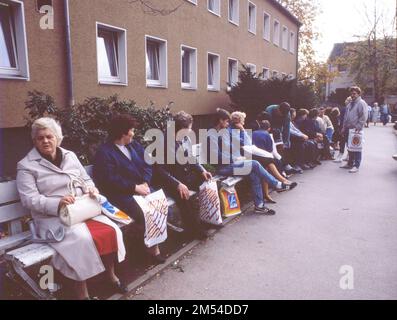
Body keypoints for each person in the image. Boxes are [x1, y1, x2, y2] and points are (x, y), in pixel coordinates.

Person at [16, 118, 127, 300]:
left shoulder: (70, 156)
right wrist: (57, 203)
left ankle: (110, 276)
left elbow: (86, 180)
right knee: (81, 240)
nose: (45, 141)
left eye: (49, 136)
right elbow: (29, 200)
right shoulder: (26, 165)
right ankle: (82, 294)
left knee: (110, 230)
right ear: (34, 141)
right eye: (39, 138)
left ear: (57, 138)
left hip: (82, 210)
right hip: (53, 219)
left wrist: (91, 189)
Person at [93, 114, 166, 264]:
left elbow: (148, 164)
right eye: (131, 130)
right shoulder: (105, 152)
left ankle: (148, 242)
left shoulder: (134, 145)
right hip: (120, 195)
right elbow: (109, 179)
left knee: (160, 204)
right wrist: (134, 187)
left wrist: (145, 182)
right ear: (122, 132)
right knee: (147, 211)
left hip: (141, 189)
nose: (133, 133)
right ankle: (153, 249)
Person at [207, 109, 296, 216]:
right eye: (226, 121)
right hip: (223, 167)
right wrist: (235, 159)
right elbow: (215, 156)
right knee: (254, 164)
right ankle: (277, 184)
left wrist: (238, 151)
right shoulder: (211, 134)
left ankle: (259, 206)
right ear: (220, 120)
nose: (227, 124)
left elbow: (233, 146)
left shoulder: (222, 132)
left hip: (231, 164)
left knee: (254, 173)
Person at [154, 111, 212, 240]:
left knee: (207, 183)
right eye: (189, 128)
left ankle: (207, 218)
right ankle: (194, 231)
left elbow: (191, 157)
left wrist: (202, 170)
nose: (190, 131)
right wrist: (177, 184)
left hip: (184, 176)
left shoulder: (185, 138)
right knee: (183, 197)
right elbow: (159, 170)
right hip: (168, 180)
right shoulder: (162, 143)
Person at [340, 86, 368, 173]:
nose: (352, 95)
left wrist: (359, 127)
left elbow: (364, 116)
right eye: (351, 93)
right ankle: (350, 163)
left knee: (357, 147)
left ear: (359, 94)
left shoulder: (361, 103)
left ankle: (356, 165)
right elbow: (346, 117)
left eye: (354, 93)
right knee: (350, 147)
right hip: (348, 129)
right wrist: (344, 127)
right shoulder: (350, 104)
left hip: (356, 129)